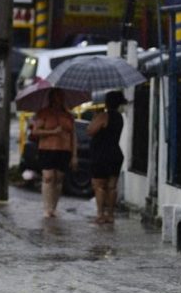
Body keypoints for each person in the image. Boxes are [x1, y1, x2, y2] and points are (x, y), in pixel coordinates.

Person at [30, 88, 78, 218]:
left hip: (64, 150)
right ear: (51, 98)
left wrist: (74, 155)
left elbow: (73, 136)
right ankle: (47, 208)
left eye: (61, 96)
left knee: (59, 178)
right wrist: (52, 132)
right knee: (48, 177)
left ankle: (53, 207)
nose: (59, 99)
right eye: (56, 96)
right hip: (47, 149)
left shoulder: (68, 116)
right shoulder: (43, 113)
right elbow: (35, 132)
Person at [87, 91, 126, 224]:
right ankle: (110, 215)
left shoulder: (103, 116)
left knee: (99, 186)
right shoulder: (119, 117)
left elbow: (90, 131)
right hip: (115, 153)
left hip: (101, 154)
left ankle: (100, 214)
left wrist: (95, 118)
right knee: (112, 186)